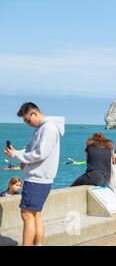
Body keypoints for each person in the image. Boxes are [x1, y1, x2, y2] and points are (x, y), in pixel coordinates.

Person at [4, 102, 65, 246]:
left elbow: (39, 154)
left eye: (27, 119)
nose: (27, 123)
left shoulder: (48, 128)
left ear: (35, 112)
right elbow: (31, 151)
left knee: (27, 215)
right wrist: (16, 153)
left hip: (37, 179)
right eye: (24, 121)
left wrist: (17, 156)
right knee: (36, 215)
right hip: (41, 179)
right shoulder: (43, 128)